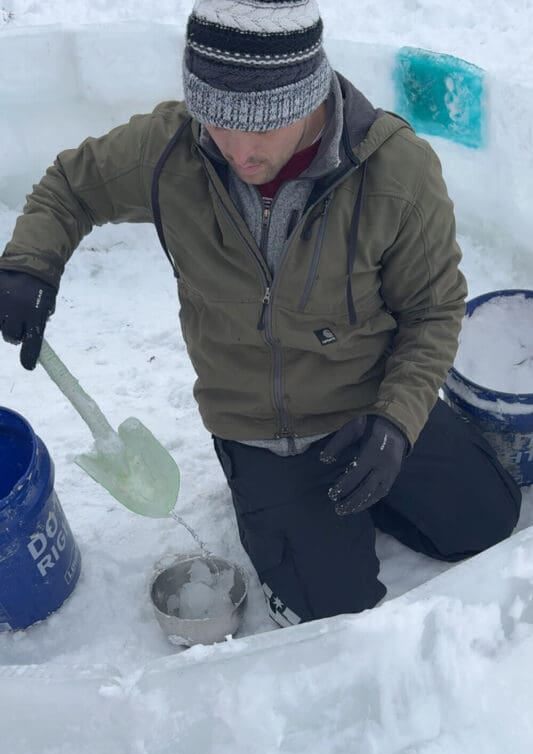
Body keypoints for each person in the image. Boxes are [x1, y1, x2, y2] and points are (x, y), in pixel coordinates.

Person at [0, 0, 521, 627]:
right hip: (260, 431)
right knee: (334, 613)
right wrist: (30, 263)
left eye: (261, 129)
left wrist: (396, 423)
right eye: (218, 125)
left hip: (368, 406)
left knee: (488, 521)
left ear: (308, 98)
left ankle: (363, 491)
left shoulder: (394, 172)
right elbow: (69, 186)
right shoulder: (173, 152)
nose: (239, 153)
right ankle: (283, 508)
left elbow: (434, 310)